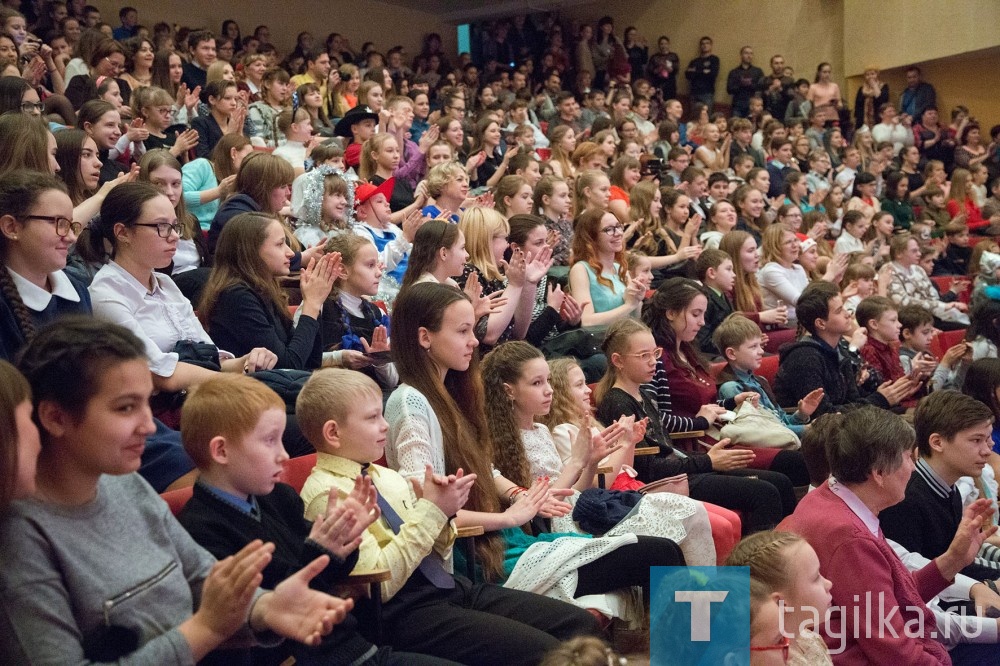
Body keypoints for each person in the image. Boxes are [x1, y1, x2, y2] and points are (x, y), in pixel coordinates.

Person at [0, 317, 351, 664]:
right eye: (125, 408)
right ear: (55, 418)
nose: (149, 425)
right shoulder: (21, 537)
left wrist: (265, 607)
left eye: (146, 403)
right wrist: (205, 630)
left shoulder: (126, 483)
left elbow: (200, 575)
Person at [299, 364, 605, 664]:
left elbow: (435, 550)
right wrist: (432, 511)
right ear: (333, 433)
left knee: (578, 625)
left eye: (382, 414)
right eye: (372, 418)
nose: (385, 425)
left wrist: (444, 512)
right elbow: (382, 586)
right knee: (547, 651)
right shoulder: (327, 495)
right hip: (404, 613)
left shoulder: (384, 476)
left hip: (449, 586)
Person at [175, 373, 454, 665]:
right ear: (221, 451)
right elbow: (266, 624)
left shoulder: (278, 498)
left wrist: (345, 540)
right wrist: (323, 551)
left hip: (351, 646)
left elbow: (327, 576)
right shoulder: (202, 530)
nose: (284, 455)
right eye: (270, 441)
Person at [777, 405, 998, 665]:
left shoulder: (835, 498)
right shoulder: (848, 535)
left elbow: (891, 599)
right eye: (907, 457)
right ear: (879, 473)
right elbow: (893, 649)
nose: (914, 468)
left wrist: (953, 560)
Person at [482, 340, 718, 566]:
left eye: (549, 381)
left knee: (693, 512)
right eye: (537, 383)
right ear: (509, 391)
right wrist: (578, 461)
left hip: (580, 508)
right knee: (687, 519)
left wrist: (592, 460)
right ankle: (700, 606)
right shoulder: (501, 440)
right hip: (563, 526)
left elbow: (575, 491)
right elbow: (549, 506)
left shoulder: (542, 430)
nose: (549, 391)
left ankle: (702, 605)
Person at [595, 316, 791, 534]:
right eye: (644, 355)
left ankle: (782, 560)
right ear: (618, 360)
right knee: (764, 493)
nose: (653, 362)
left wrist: (708, 459)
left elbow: (666, 450)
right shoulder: (617, 402)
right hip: (660, 485)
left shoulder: (643, 393)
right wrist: (708, 461)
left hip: (680, 472)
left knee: (779, 482)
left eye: (655, 353)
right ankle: (758, 564)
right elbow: (646, 468)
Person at [880, 390, 1000, 581]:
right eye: (976, 440)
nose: (987, 451)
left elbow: (959, 565)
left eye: (987, 439)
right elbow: (914, 583)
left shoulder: (948, 490)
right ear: (937, 442)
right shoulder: (905, 500)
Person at [199, 212, 341, 370]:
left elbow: (311, 362)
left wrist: (316, 303)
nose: (291, 253)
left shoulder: (264, 290)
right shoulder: (236, 297)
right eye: (280, 244)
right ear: (251, 251)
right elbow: (288, 366)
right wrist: (312, 304)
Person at [773, 280, 916, 415]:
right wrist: (881, 399)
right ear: (821, 323)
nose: (848, 314)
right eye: (839, 310)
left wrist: (888, 395)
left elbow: (852, 401)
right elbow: (825, 416)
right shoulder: (803, 359)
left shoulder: (839, 349)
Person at [0, 171, 89, 362]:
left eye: (71, 225)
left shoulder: (78, 289)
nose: (71, 237)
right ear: (11, 227)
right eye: (58, 223)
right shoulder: (5, 306)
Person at [726, 530, 834, 665]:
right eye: (816, 577)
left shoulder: (810, 640)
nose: (828, 584)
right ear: (780, 603)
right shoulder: (775, 661)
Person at [715, 314, 822, 438]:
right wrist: (806, 430)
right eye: (753, 346)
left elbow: (780, 421)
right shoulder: (731, 388)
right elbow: (763, 432)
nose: (761, 351)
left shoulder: (760, 381)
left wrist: (802, 414)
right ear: (732, 353)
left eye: (760, 345)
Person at [316, 233, 398, 390]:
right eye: (370, 265)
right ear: (343, 271)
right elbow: (298, 360)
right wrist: (339, 358)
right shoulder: (317, 307)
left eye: (377, 265)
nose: (379, 272)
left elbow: (392, 382)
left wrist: (381, 361)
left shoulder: (377, 313)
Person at [568, 208, 646, 326]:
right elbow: (586, 321)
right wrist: (628, 305)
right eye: (609, 229)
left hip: (626, 336)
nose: (619, 233)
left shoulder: (619, 268)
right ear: (591, 237)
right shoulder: (581, 269)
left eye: (619, 226)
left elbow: (635, 319)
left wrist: (637, 301)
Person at [884, 234, 970, 330]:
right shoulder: (889, 270)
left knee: (970, 324)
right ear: (899, 254)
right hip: (910, 322)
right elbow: (903, 302)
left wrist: (948, 307)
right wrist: (944, 306)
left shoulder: (918, 269)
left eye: (918, 250)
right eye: (914, 251)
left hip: (930, 316)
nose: (919, 254)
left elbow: (932, 297)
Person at [182, 133, 250, 230]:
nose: (250, 162)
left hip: (216, 234)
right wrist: (218, 192)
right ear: (233, 153)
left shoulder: (237, 180)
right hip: (191, 232)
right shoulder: (202, 166)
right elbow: (179, 197)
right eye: (247, 157)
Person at [191, 79, 244, 159]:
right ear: (212, 100)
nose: (234, 103)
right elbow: (204, 159)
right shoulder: (200, 123)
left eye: (235, 99)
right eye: (227, 98)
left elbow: (245, 157)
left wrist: (240, 132)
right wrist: (229, 134)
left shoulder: (235, 122)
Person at [726, 46, 763, 118]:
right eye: (746, 53)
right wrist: (741, 84)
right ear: (741, 55)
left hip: (753, 106)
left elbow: (761, 88)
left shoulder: (758, 71)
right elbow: (729, 90)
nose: (749, 56)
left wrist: (750, 84)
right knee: (735, 126)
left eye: (751, 53)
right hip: (737, 105)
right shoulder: (734, 72)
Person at [684, 36, 719, 112]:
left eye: (707, 43)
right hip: (694, 92)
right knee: (694, 116)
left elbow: (713, 74)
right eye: (703, 44)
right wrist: (703, 71)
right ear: (700, 46)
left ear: (711, 45)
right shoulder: (695, 61)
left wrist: (695, 71)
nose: (705, 45)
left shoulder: (714, 59)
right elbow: (687, 75)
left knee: (706, 116)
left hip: (707, 93)